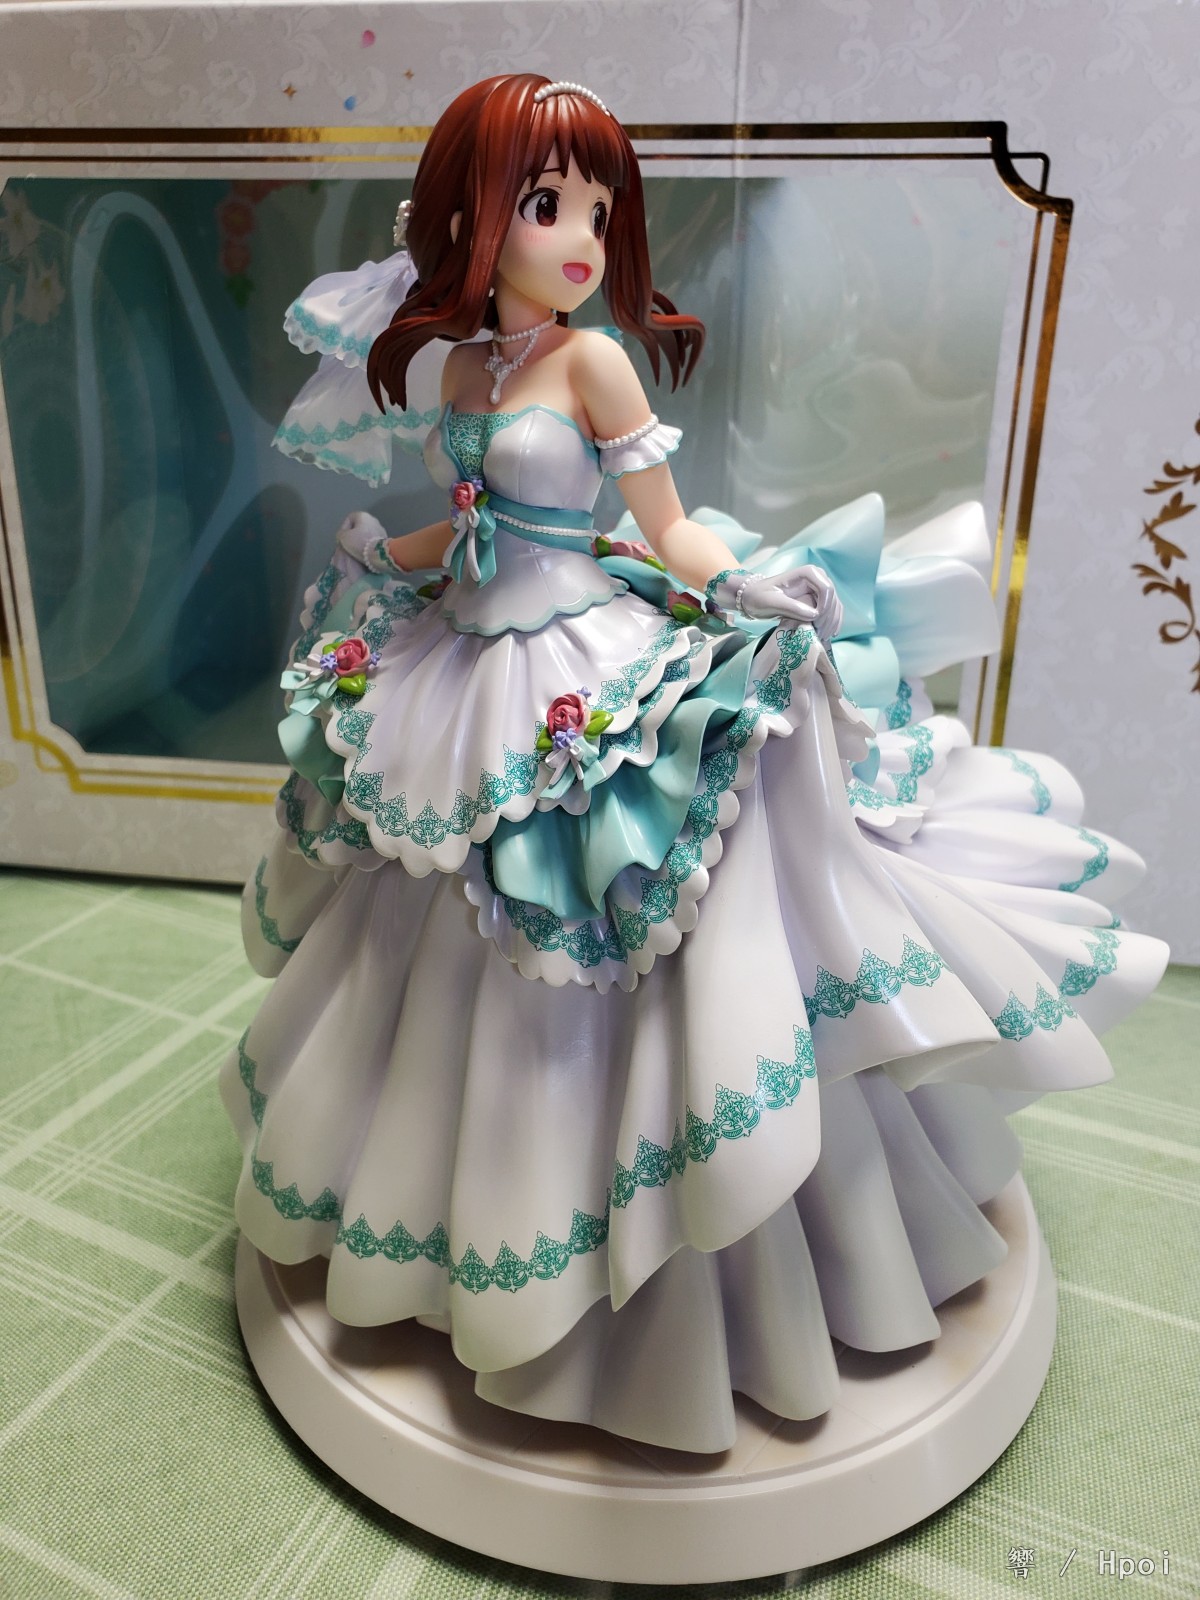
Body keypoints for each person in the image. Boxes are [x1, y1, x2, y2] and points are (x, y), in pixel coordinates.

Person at [222, 74, 1167, 1454]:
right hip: (462, 670)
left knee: (603, 910)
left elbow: (664, 527)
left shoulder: (592, 365)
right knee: (423, 920)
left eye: (600, 209)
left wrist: (743, 587)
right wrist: (392, 550)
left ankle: (672, 1231)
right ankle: (444, 1205)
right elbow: (472, 522)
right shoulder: (469, 370)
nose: (583, 238)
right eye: (550, 203)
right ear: (473, 215)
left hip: (572, 664)